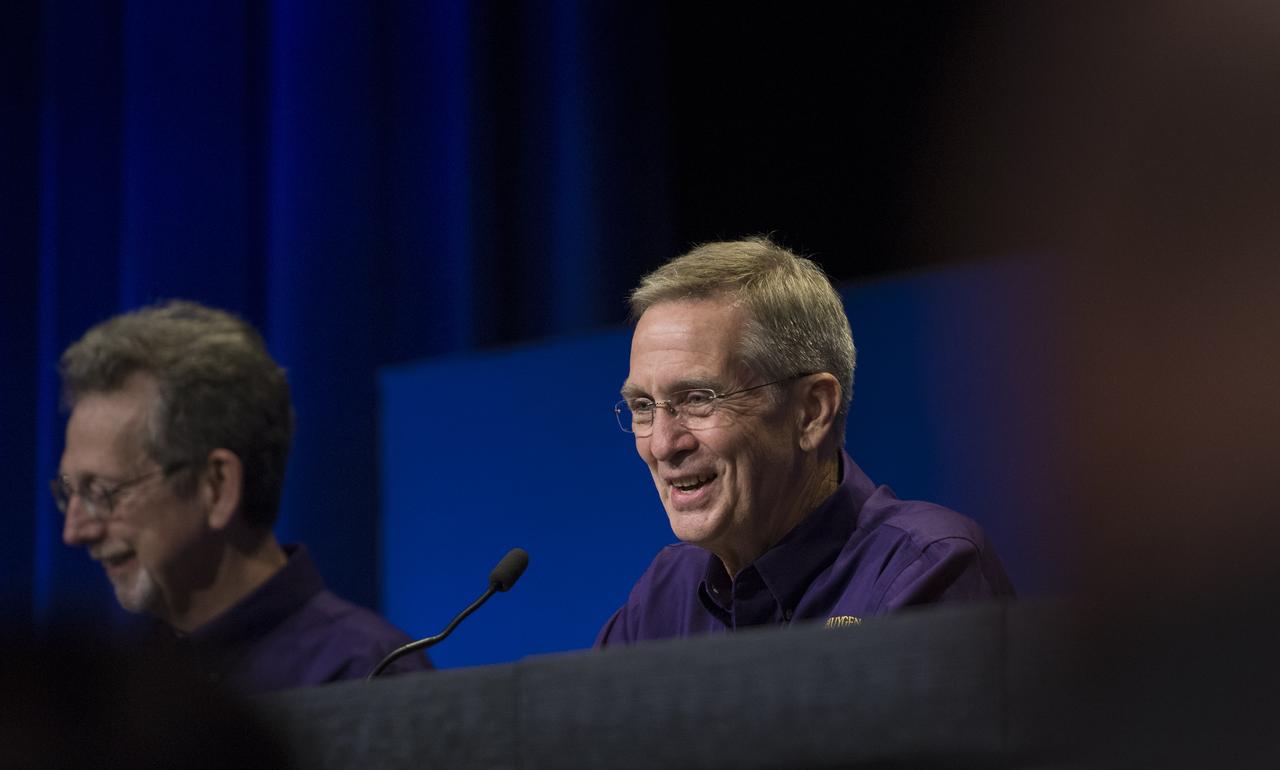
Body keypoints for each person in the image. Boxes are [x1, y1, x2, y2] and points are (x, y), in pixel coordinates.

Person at [597, 237, 1015, 645]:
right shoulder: (664, 596)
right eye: (643, 406)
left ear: (811, 412)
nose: (663, 445)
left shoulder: (923, 568)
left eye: (697, 399)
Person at [54, 300, 429, 692]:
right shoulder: (116, 687)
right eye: (68, 492)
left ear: (216, 486)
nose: (75, 531)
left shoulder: (366, 672)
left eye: (101, 492)